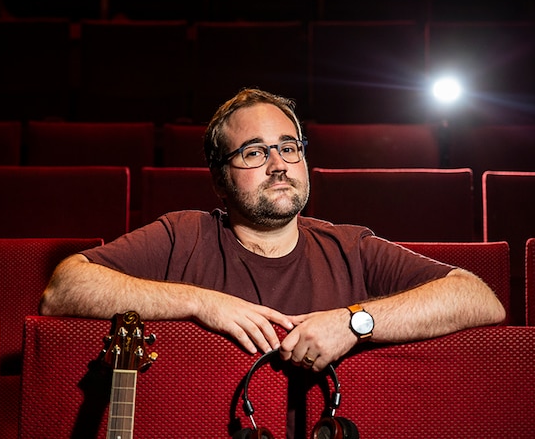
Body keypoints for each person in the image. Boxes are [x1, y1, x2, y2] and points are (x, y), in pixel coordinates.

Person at [40, 88, 505, 373]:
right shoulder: (182, 235)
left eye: (289, 147)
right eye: (254, 152)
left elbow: (478, 298)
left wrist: (353, 321)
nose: (279, 165)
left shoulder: (350, 246)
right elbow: (64, 288)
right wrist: (200, 302)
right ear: (221, 177)